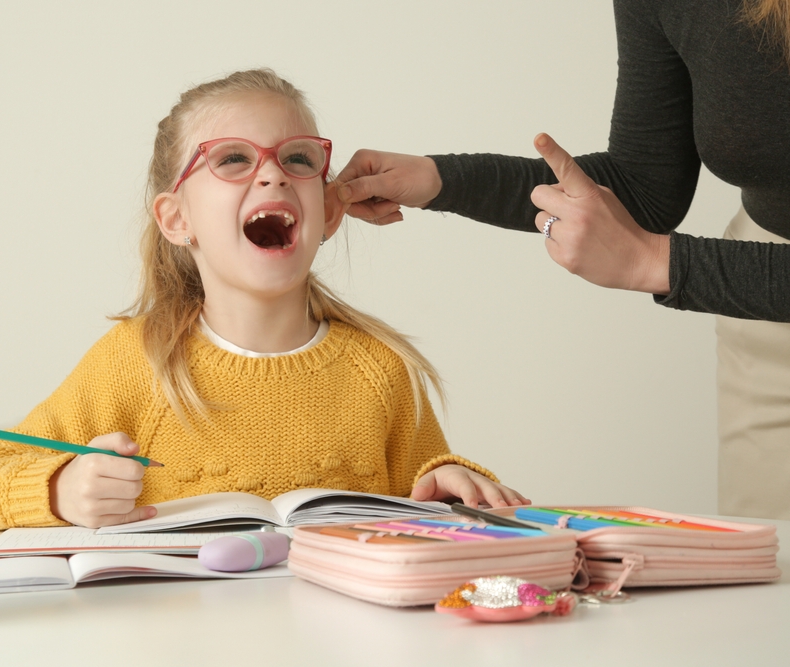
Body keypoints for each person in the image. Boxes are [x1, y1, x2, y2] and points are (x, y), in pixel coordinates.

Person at [0, 69, 527, 531]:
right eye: (232, 159)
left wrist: (450, 477)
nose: (273, 175)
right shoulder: (134, 361)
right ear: (177, 219)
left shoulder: (380, 369)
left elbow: (423, 491)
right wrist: (60, 490)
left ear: (329, 212)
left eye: (297, 159)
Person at [334, 0, 790, 519]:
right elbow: (645, 188)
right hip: (765, 315)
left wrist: (656, 264)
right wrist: (442, 179)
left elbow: (648, 245)